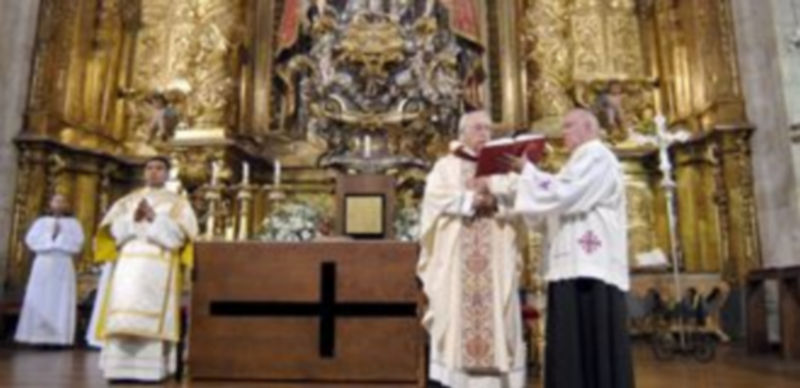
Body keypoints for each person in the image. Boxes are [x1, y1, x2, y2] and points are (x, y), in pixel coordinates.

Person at [505, 109, 634, 388]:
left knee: (588, 337)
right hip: (574, 265)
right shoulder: (577, 161)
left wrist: (528, 173)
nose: (563, 132)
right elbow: (553, 204)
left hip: (590, 265)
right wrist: (527, 180)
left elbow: (566, 193)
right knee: (573, 341)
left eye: (569, 126)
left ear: (589, 128)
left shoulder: (597, 155)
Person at [418, 110, 527, 388]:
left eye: (489, 129)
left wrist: (497, 202)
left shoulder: (504, 167)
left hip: (496, 262)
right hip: (456, 261)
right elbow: (434, 199)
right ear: (462, 133)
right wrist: (470, 200)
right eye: (478, 128)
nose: (484, 134)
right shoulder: (446, 166)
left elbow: (522, 200)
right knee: (455, 319)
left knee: (499, 317)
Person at [92, 156, 198, 382]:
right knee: (122, 313)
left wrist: (154, 218)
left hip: (159, 263)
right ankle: (118, 368)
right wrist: (132, 220)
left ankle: (151, 370)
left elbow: (181, 237)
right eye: (149, 168)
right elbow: (113, 232)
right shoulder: (127, 201)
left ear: (168, 174)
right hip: (128, 262)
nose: (153, 172)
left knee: (152, 316)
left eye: (159, 168)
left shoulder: (178, 204)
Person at [15, 194, 84, 347]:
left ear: (67, 205)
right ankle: (36, 337)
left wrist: (61, 237)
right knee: (40, 297)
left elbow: (78, 244)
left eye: (63, 201)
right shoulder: (41, 222)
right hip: (43, 262)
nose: (59, 204)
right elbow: (31, 240)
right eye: (56, 200)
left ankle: (58, 338)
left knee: (60, 299)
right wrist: (51, 236)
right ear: (50, 204)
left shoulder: (74, 224)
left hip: (63, 263)